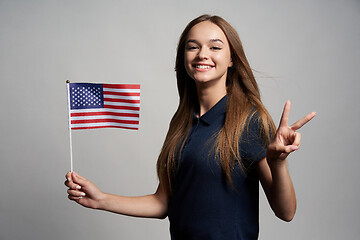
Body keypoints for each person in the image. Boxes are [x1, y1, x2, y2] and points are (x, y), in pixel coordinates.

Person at [65, 14, 315, 239]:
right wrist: (101, 199)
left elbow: (286, 212)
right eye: (192, 47)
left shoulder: (249, 120)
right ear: (183, 58)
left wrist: (278, 163)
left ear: (231, 60)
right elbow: (163, 203)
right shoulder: (181, 122)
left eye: (215, 47)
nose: (202, 54)